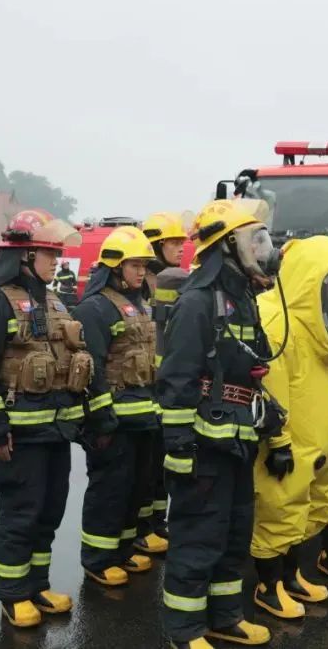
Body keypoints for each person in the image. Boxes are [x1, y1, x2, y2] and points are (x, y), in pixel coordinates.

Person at [0, 210, 114, 628]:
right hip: (19, 436)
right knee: (21, 515)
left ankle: (37, 585)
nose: (56, 260)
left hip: (56, 433)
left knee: (49, 513)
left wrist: (93, 420)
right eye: (49, 253)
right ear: (26, 255)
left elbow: (74, 360)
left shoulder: (54, 302)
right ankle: (13, 595)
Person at [156, 199, 286, 649]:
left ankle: (225, 617)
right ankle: (185, 629)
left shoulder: (243, 301)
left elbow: (248, 366)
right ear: (227, 246)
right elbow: (175, 380)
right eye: (255, 240)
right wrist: (179, 448)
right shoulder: (196, 303)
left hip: (237, 442)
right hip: (202, 446)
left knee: (234, 535)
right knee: (198, 536)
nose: (264, 249)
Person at [251, 236, 328, 618]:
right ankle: (268, 588)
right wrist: (279, 442)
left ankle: (291, 577)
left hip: (317, 437)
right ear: (310, 279)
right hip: (289, 441)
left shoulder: (323, 325)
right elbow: (271, 393)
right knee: (279, 509)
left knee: (305, 510)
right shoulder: (277, 322)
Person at [71, 226, 162, 587]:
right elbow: (92, 367)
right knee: (109, 492)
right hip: (114, 421)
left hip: (143, 418)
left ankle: (123, 550)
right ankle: (98, 559)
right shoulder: (95, 308)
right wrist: (102, 420)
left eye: (144, 265)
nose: (141, 272)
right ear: (114, 266)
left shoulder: (140, 305)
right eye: (134, 265)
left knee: (135, 489)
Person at [139, 211, 192, 553]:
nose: (180, 248)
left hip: (164, 387)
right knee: (145, 468)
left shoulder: (171, 281)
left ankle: (158, 522)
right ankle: (143, 528)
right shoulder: (143, 284)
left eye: (181, 242)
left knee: (160, 465)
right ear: (155, 246)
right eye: (173, 242)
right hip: (145, 388)